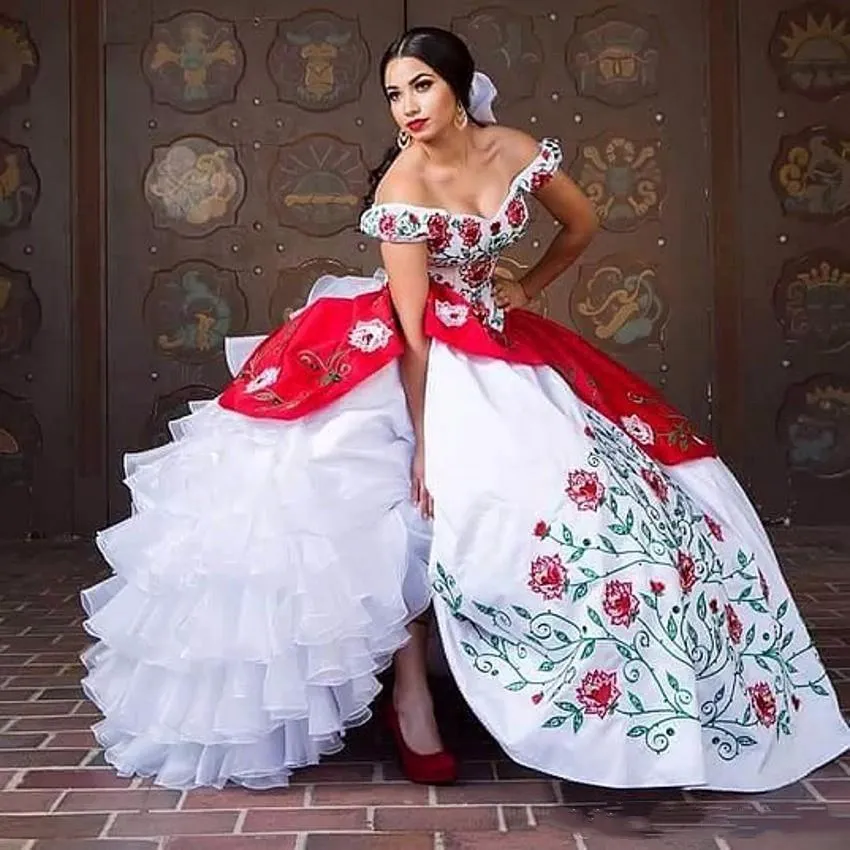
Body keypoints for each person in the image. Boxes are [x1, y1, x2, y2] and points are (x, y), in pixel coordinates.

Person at [80, 26, 850, 792]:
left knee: (629, 499)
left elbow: (581, 225)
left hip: (501, 335)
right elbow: (414, 333)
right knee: (386, 495)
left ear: (459, 87)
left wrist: (527, 285)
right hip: (418, 354)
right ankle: (412, 694)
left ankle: (624, 691)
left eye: (421, 86)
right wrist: (423, 443)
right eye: (393, 93)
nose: (406, 107)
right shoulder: (403, 188)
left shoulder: (514, 149)